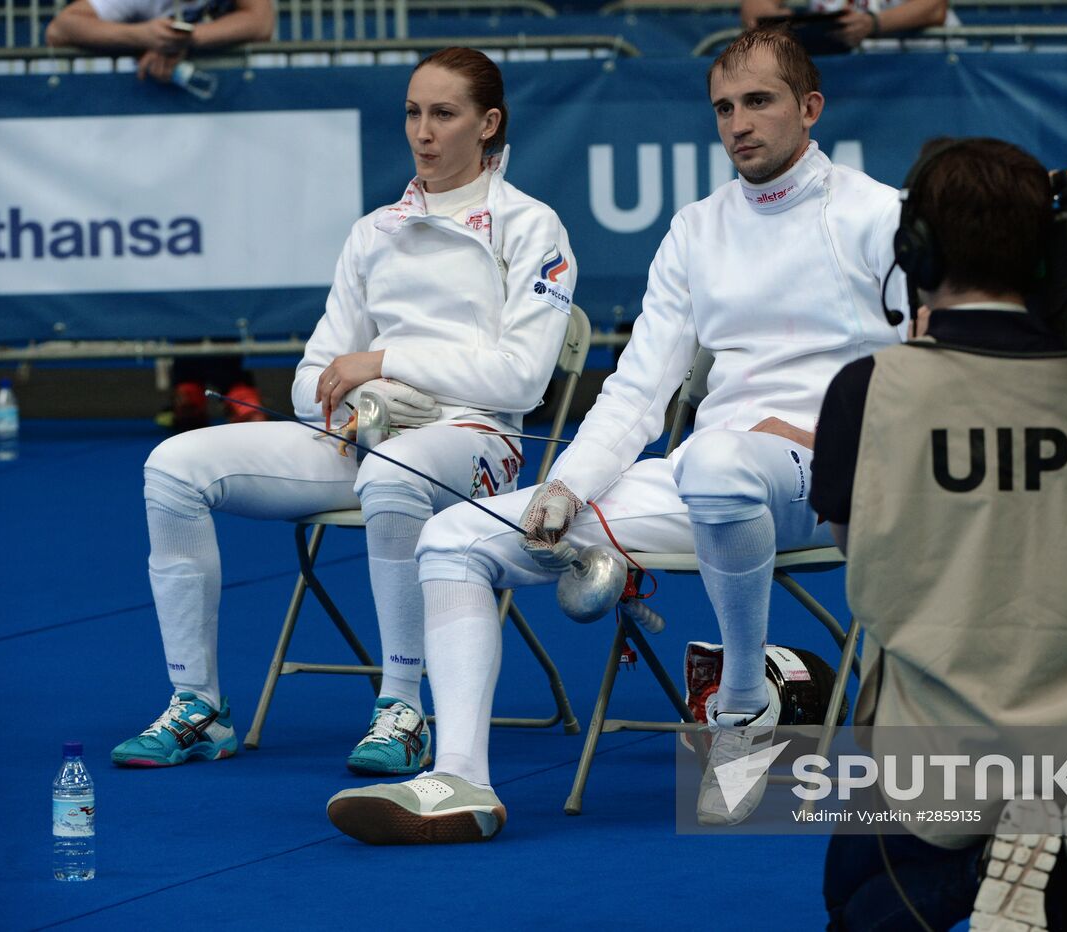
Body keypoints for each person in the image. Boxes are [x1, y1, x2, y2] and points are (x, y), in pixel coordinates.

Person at [324, 27, 906, 845]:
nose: (739, 122)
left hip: (835, 482)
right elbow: (636, 391)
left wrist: (836, 426)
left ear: (810, 109)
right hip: (715, 481)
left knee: (715, 460)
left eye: (761, 102)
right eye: (725, 108)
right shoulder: (696, 231)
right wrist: (568, 485)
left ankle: (742, 709)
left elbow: (933, 365)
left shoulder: (880, 215)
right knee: (457, 536)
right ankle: (461, 778)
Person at [110, 48, 578, 777]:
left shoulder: (531, 227)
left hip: (478, 441)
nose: (423, 132)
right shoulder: (375, 231)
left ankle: (403, 709)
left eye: (444, 114)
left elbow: (519, 381)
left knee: (391, 474)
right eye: (413, 113)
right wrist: (364, 401)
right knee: (172, 467)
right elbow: (310, 381)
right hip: (368, 438)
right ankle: (197, 705)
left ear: (488, 124)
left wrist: (385, 364)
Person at [809, 137, 1067, 931]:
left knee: (855, 898)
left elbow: (856, 547)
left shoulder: (871, 389)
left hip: (941, 767)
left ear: (917, 249)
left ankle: (981, 869)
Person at [45, 0, 274, 84]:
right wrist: (142, 36)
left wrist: (183, 40)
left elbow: (261, 22)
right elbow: (60, 29)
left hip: (235, 98)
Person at [740, 0, 955, 52]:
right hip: (849, 70)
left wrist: (873, 24)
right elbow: (755, 8)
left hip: (922, 63)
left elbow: (934, 7)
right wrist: (775, 19)